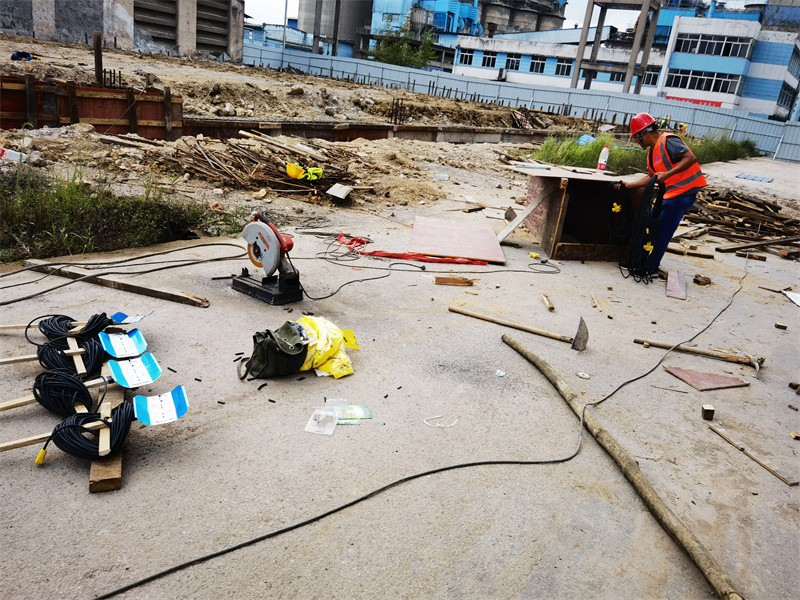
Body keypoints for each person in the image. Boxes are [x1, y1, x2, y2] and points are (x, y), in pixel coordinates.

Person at [619, 112, 707, 278]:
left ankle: (650, 268)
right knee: (648, 227)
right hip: (669, 195)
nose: (637, 142)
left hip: (684, 193)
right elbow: (652, 176)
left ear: (643, 132)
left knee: (662, 232)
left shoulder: (668, 141)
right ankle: (638, 261)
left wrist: (667, 175)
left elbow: (690, 157)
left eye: (637, 138)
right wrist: (630, 185)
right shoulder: (652, 153)